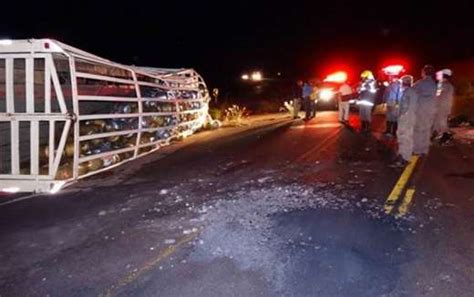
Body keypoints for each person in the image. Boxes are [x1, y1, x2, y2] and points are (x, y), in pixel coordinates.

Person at [413, 65, 438, 155]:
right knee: (427, 130)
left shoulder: (420, 83)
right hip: (431, 109)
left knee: (418, 129)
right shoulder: (434, 84)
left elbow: (411, 93)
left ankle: (417, 149)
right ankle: (424, 150)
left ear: (424, 72)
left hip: (421, 109)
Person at [396, 75, 418, 164]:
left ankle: (405, 157)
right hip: (409, 117)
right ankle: (402, 155)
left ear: (403, 83)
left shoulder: (408, 92)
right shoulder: (411, 92)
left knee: (405, 137)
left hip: (406, 118)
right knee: (404, 137)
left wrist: (401, 115)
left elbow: (405, 107)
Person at [433, 69, 455, 144]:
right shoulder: (447, 85)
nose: (437, 76)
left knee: (442, 122)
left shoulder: (444, 85)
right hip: (443, 106)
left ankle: (446, 135)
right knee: (439, 122)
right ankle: (442, 135)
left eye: (439, 75)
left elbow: (437, 95)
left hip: (442, 107)